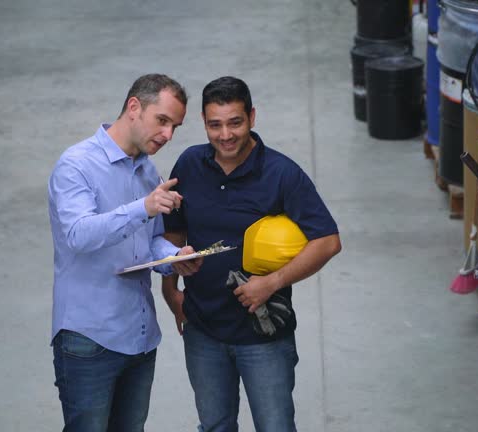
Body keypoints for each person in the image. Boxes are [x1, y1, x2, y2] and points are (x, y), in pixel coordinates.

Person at [161, 76, 342, 431]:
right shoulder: (189, 165)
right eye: (215, 124)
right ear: (203, 122)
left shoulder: (281, 174)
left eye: (235, 122)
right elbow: (173, 229)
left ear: (252, 118)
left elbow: (328, 240)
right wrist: (171, 292)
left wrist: (272, 282)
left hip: (263, 337)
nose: (225, 135)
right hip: (203, 330)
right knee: (214, 426)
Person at [47, 73, 202, 432]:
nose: (168, 135)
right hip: (89, 340)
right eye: (162, 121)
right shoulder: (76, 165)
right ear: (134, 107)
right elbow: (78, 234)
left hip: (139, 339)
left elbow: (146, 243)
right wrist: (143, 208)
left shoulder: (148, 172)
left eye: (175, 126)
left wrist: (174, 259)